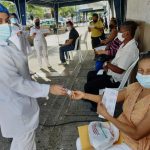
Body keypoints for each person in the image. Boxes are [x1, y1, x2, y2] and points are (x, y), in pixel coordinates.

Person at [0, 4, 67, 150]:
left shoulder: (6, 44)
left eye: (6, 21)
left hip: (20, 103)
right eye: (0, 21)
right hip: (16, 106)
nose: (5, 25)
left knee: (21, 141)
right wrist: (48, 88)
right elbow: (15, 82)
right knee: (25, 142)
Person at [71, 51, 150, 150]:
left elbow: (137, 134)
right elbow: (108, 98)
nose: (144, 74)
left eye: (149, 71)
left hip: (134, 144)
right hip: (118, 129)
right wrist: (84, 95)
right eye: (141, 70)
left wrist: (108, 116)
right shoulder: (135, 87)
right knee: (80, 143)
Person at [85, 21, 139, 111]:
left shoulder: (130, 50)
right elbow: (117, 60)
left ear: (127, 33)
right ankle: (95, 97)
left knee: (88, 86)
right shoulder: (124, 44)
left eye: (120, 32)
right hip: (111, 73)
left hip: (114, 80)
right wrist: (108, 64)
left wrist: (108, 65)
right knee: (90, 74)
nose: (118, 34)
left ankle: (96, 106)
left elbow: (119, 70)